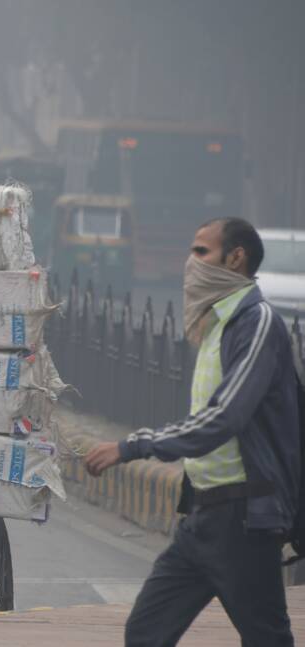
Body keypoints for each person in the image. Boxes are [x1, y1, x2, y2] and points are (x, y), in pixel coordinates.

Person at [84, 217, 299, 646]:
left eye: (201, 251)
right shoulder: (217, 326)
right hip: (203, 517)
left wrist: (132, 446)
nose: (190, 262)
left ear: (235, 258)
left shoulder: (255, 323)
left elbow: (223, 418)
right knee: (146, 630)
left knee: (266, 638)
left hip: (244, 517)